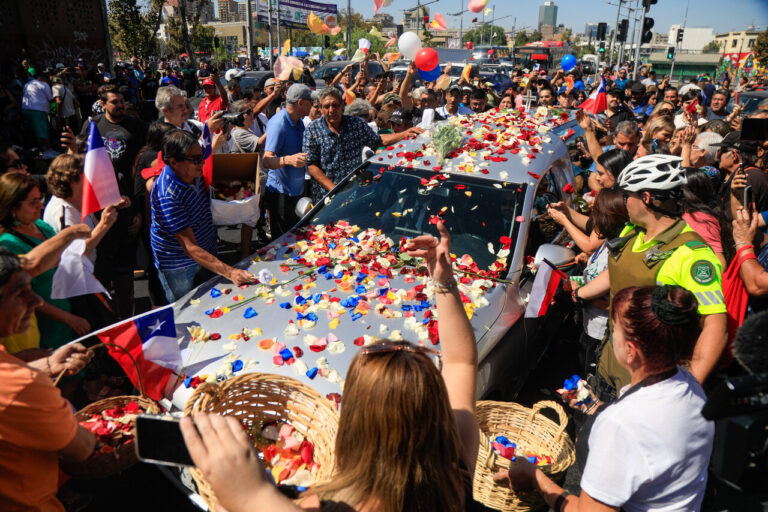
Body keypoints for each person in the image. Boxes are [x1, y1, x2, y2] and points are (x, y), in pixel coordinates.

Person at [180, 221, 479, 512]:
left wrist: (250, 497)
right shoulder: (455, 470)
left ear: (351, 430)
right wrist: (443, 281)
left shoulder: (325, 505)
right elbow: (461, 362)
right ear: (438, 418)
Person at [496, 285, 714, 512]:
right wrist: (593, 406)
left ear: (630, 350)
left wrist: (535, 476)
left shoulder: (619, 425)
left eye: (614, 328)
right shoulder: (689, 385)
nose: (611, 335)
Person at [576, 155, 727, 393]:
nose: (624, 201)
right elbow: (618, 271)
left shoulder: (691, 254)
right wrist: (580, 293)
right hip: (610, 365)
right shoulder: (632, 231)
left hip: (650, 385)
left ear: (646, 198)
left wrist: (686, 387)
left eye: (627, 195)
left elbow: (715, 325)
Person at [0, 247, 97, 512]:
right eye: (19, 293)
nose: (36, 301)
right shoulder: (23, 385)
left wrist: (48, 365)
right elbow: (81, 449)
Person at [150, 130, 255, 302]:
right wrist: (230, 272)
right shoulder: (167, 194)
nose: (202, 162)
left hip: (206, 249)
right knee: (184, 309)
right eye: (196, 159)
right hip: (179, 264)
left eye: (202, 156)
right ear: (174, 162)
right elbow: (189, 247)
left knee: (212, 302)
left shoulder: (194, 173)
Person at [77, 83, 146, 319]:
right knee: (102, 279)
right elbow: (82, 162)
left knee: (125, 281)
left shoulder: (136, 125)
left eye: (122, 101)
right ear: (103, 104)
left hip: (127, 205)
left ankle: (127, 320)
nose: (120, 106)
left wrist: (138, 210)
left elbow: (142, 168)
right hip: (98, 210)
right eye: (114, 102)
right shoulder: (93, 125)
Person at [0, 173, 90, 348]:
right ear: (13, 207)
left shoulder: (41, 226)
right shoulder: (8, 244)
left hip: (67, 314)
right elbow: (23, 293)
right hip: (45, 328)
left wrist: (104, 224)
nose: (41, 205)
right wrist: (69, 319)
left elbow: (64, 258)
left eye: (40, 198)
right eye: (33, 202)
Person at [303, 87, 423, 203]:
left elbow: (378, 140)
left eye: (335, 105)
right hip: (326, 198)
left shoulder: (355, 124)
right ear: (321, 109)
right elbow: (311, 165)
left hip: (354, 194)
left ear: (342, 105)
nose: (331, 110)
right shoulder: (313, 129)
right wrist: (335, 191)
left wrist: (405, 134)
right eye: (326, 106)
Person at [262, 84, 313, 239]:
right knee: (282, 241)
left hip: (295, 191)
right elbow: (266, 161)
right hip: (281, 195)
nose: (312, 105)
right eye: (310, 102)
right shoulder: (279, 123)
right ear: (301, 103)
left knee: (294, 238)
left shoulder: (299, 122)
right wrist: (288, 160)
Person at [21, 70, 56, 158]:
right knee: (42, 132)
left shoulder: (27, 84)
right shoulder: (43, 84)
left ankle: (44, 151)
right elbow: (51, 98)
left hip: (26, 109)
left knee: (36, 132)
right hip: (38, 111)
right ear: (42, 78)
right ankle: (46, 152)